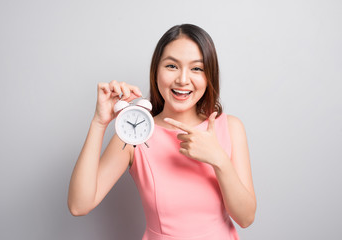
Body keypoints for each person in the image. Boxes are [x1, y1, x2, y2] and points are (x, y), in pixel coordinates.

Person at [68, 24, 256, 240]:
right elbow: (78, 205)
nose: (183, 79)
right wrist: (99, 123)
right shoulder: (133, 135)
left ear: (209, 76)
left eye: (197, 68)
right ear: (156, 71)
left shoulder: (231, 127)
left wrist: (219, 160)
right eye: (172, 66)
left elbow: (246, 218)